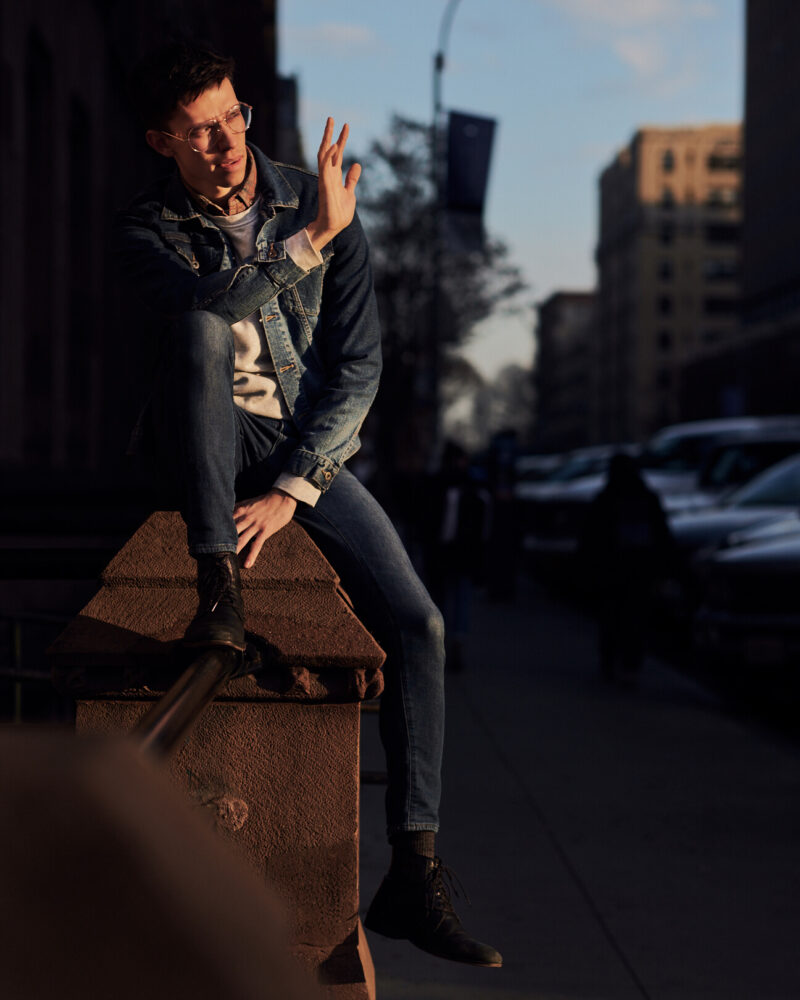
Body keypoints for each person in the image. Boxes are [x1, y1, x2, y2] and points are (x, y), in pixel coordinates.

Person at [113, 42, 501, 968]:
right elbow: (209, 309)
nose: (227, 143)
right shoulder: (146, 228)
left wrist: (296, 490)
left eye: (235, 116)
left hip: (293, 449)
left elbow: (359, 367)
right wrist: (310, 243)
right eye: (201, 131)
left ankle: (415, 869)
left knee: (418, 623)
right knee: (205, 336)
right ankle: (218, 590)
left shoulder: (316, 200)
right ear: (163, 141)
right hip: (191, 450)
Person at [579, 453, 677, 682]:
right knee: (634, 619)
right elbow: (662, 537)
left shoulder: (606, 499)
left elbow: (590, 540)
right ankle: (628, 664)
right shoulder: (645, 499)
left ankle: (615, 661)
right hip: (635, 571)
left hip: (617, 571)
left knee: (615, 618)